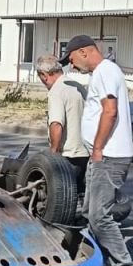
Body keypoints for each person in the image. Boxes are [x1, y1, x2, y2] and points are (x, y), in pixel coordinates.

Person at [66, 35, 133, 266]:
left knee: (99, 217)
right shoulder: (103, 72)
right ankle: (100, 265)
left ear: (84, 52)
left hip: (108, 156)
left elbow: (110, 111)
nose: (72, 66)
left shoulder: (106, 71)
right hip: (104, 156)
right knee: (90, 213)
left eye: (72, 59)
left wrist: (97, 148)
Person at [35, 54, 89, 191]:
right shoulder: (78, 87)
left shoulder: (56, 91)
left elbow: (56, 124)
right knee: (81, 196)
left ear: (44, 75)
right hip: (85, 153)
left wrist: (53, 155)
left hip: (68, 156)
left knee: (61, 201)